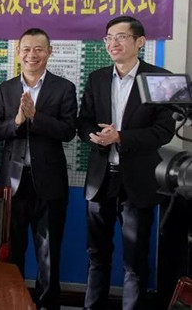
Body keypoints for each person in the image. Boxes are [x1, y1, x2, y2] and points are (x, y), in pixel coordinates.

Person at [77, 15, 175, 310]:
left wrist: (121, 136)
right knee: (96, 254)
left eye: (120, 37)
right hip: (101, 179)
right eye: (108, 38)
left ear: (139, 41)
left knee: (134, 258)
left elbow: (163, 131)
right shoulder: (97, 78)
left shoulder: (159, 78)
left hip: (138, 180)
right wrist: (95, 137)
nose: (113, 43)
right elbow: (83, 122)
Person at [0, 28, 76, 310]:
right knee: (11, 249)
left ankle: (47, 305)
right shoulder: (5, 89)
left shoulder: (64, 88)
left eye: (39, 49)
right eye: (27, 49)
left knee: (48, 251)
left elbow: (68, 131)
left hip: (49, 182)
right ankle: (11, 303)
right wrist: (17, 121)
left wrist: (36, 117)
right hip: (13, 183)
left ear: (49, 52)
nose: (32, 55)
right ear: (18, 53)